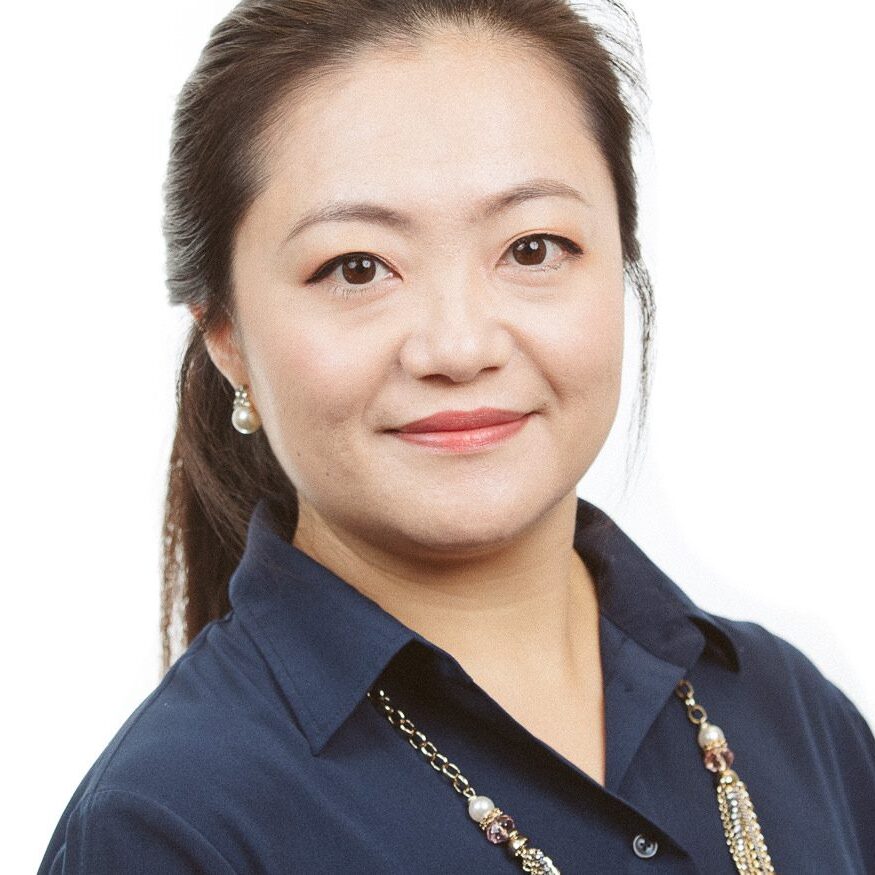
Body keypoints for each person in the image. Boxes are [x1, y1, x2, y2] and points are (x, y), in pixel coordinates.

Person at [39, 0, 875, 872]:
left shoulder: (789, 714)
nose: (460, 346)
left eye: (533, 248)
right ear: (226, 337)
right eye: (356, 267)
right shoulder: (167, 824)